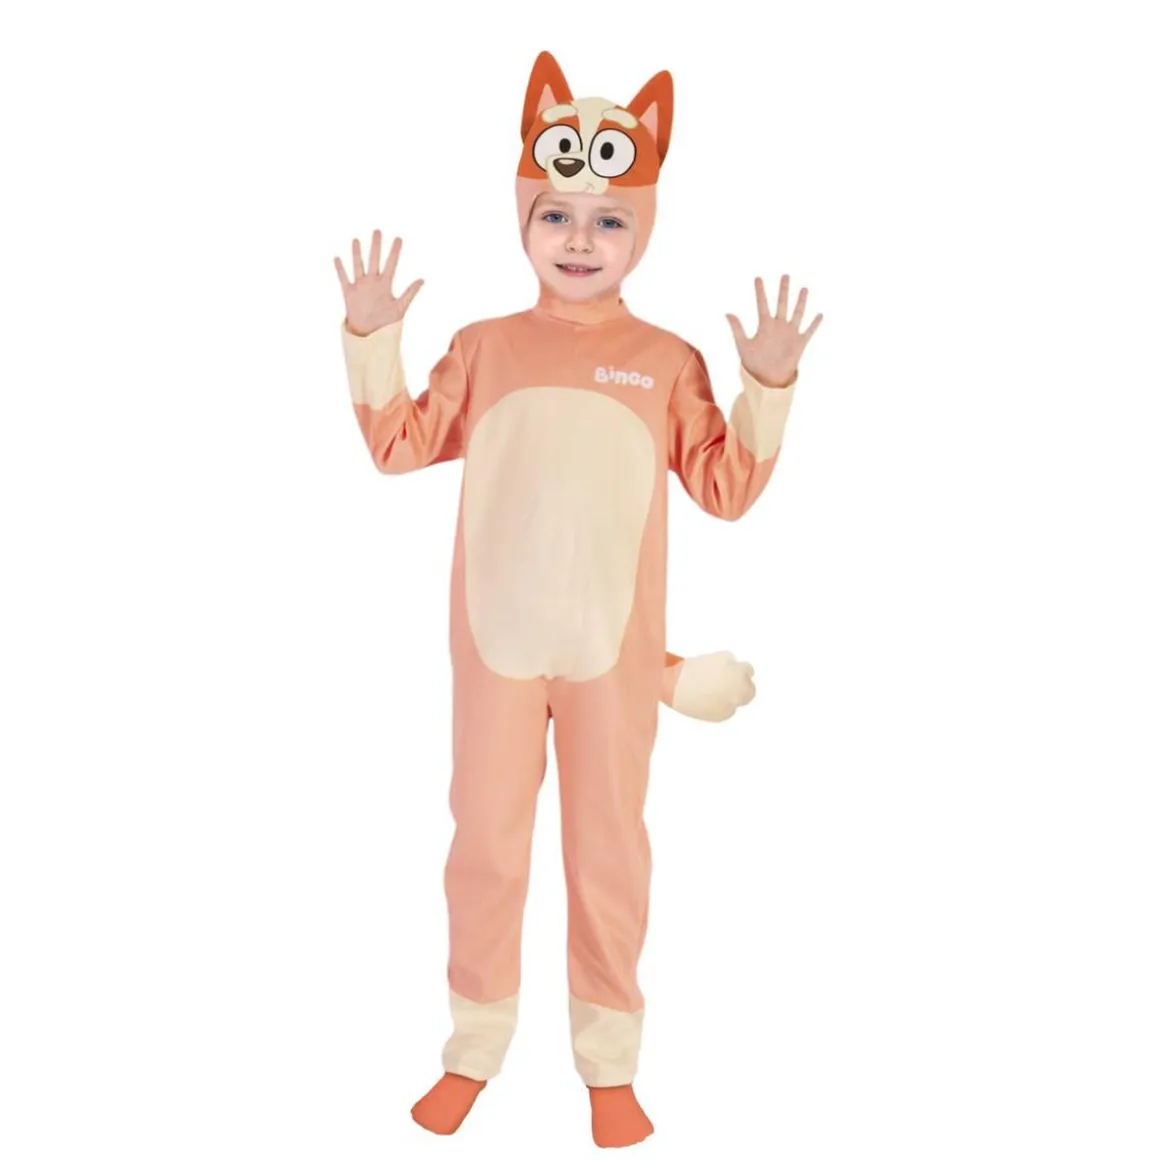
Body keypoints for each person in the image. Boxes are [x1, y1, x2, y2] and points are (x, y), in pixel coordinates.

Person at [333, 49, 822, 1150]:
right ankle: (472, 1048)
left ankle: (610, 1066)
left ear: (641, 233)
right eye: (555, 214)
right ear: (524, 219)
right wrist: (372, 339)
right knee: (485, 851)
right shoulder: (484, 348)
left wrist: (767, 385)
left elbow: (727, 489)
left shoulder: (665, 361)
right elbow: (397, 444)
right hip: (495, 656)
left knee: (607, 859)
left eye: (608, 221)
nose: (579, 239)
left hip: (609, 661)